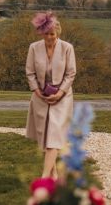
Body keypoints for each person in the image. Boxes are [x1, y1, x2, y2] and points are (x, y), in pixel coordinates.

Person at [25, 12, 76, 178]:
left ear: (58, 33)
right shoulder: (34, 47)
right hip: (40, 97)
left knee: (54, 135)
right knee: (47, 137)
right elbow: (30, 72)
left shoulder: (67, 48)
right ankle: (54, 176)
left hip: (62, 97)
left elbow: (71, 73)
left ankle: (44, 176)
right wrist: (37, 91)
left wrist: (60, 93)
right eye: (46, 34)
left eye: (52, 34)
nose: (49, 37)